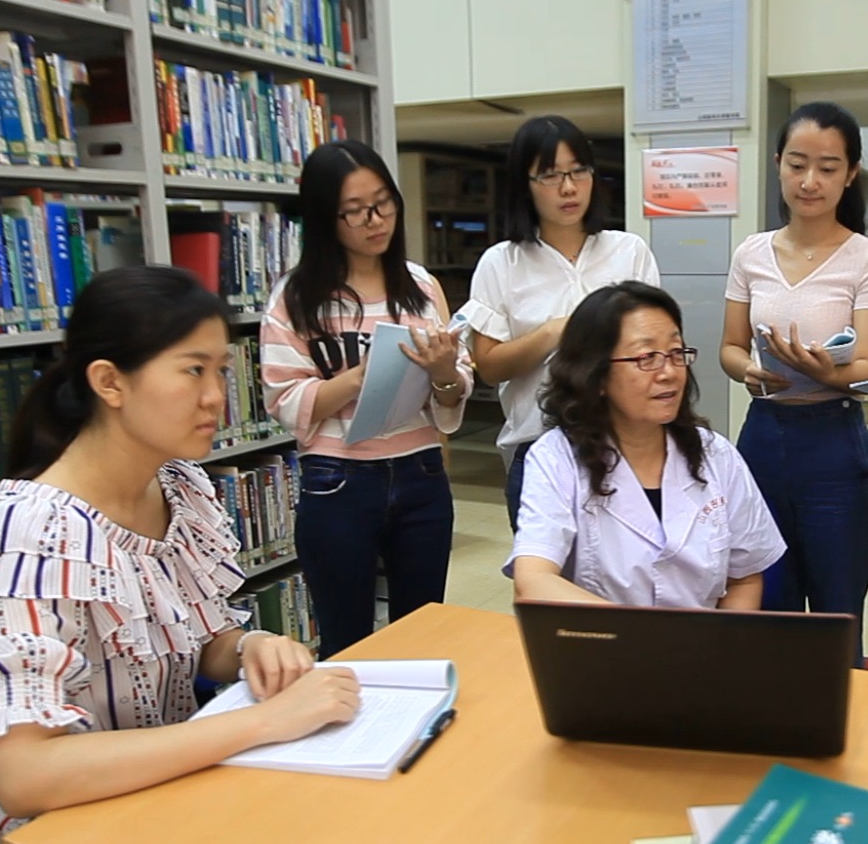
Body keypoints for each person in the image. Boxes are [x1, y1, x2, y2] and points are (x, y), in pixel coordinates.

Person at [0, 266, 364, 844]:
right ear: (109, 382)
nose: (217, 396)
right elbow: (25, 777)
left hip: (164, 802)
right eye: (192, 371)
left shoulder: (180, 487)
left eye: (221, 369)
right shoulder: (32, 530)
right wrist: (263, 723)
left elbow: (196, 637)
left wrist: (245, 650)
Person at [261, 140, 472, 656]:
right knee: (346, 641)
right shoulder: (295, 297)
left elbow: (449, 402)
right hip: (338, 480)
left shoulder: (420, 285)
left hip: (421, 473)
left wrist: (446, 372)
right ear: (324, 219)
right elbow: (285, 398)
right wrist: (363, 377)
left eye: (383, 203)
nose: (375, 220)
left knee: (423, 634)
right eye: (355, 212)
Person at [717, 101, 868, 659]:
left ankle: (841, 729)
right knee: (768, 603)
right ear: (777, 166)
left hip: (834, 443)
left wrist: (829, 374)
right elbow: (728, 346)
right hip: (764, 435)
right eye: (797, 164)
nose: (810, 181)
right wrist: (748, 369)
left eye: (827, 167)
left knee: (837, 613)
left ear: (850, 174)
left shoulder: (867, 258)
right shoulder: (752, 252)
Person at [510, 282, 784, 608]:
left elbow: (746, 576)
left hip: (702, 651)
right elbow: (533, 580)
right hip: (599, 648)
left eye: (675, 353)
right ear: (594, 375)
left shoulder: (716, 454)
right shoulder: (556, 457)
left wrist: (719, 647)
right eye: (646, 357)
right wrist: (642, 637)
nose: (669, 372)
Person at [457, 115, 660, 530]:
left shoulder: (628, 251)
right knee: (546, 587)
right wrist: (556, 331)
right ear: (525, 184)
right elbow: (490, 365)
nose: (568, 188)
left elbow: (654, 348)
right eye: (549, 176)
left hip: (625, 442)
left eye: (578, 172)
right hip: (538, 448)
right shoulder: (502, 261)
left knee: (630, 587)